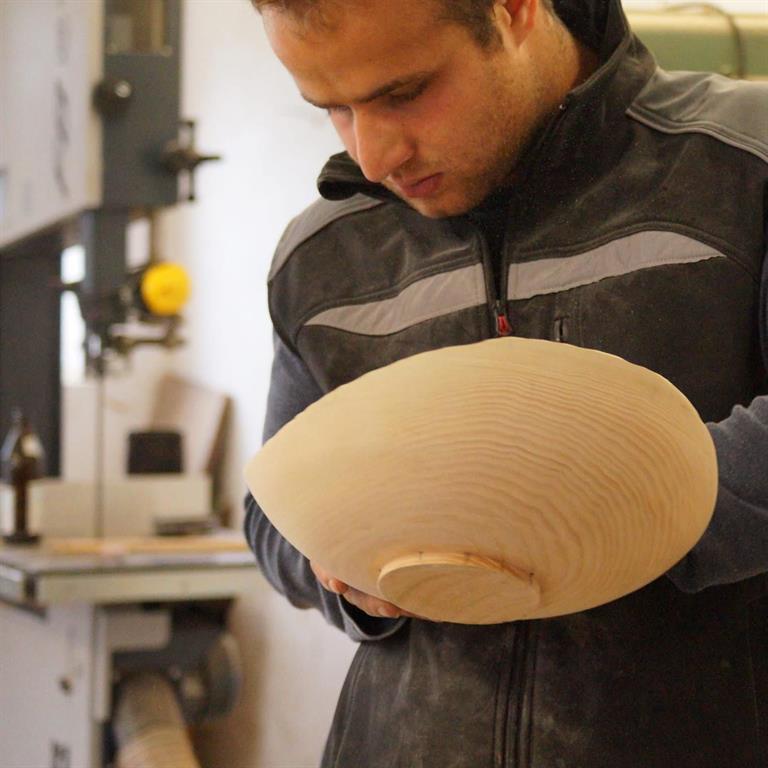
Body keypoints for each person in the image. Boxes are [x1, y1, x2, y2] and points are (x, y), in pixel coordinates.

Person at [244, 0, 768, 765]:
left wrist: (577, 515)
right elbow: (270, 513)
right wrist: (344, 567)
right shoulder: (321, 255)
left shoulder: (745, 167)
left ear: (515, 8)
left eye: (404, 93)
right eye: (333, 109)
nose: (374, 157)